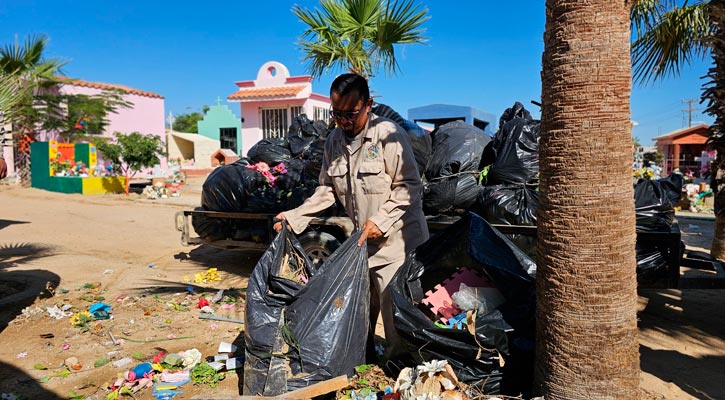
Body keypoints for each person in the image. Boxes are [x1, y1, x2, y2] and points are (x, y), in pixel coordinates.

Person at [273, 73, 429, 360]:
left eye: (350, 113)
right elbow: (327, 190)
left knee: (396, 319)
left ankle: (399, 370)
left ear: (368, 104)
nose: (343, 121)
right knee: (358, 311)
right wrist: (295, 216)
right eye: (337, 114)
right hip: (363, 244)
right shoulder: (333, 141)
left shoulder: (387, 134)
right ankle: (364, 361)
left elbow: (409, 187)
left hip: (398, 243)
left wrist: (380, 222)